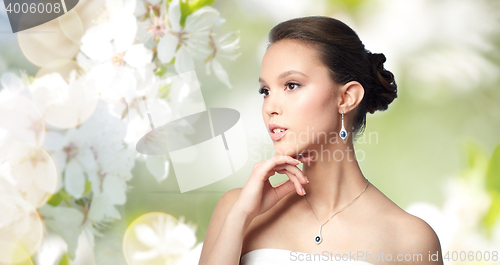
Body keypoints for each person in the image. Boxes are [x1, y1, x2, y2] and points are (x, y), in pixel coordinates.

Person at [198, 16, 443, 265]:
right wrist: (240, 217)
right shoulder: (237, 209)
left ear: (346, 98)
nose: (270, 106)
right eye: (265, 91)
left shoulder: (411, 240)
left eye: (291, 85)